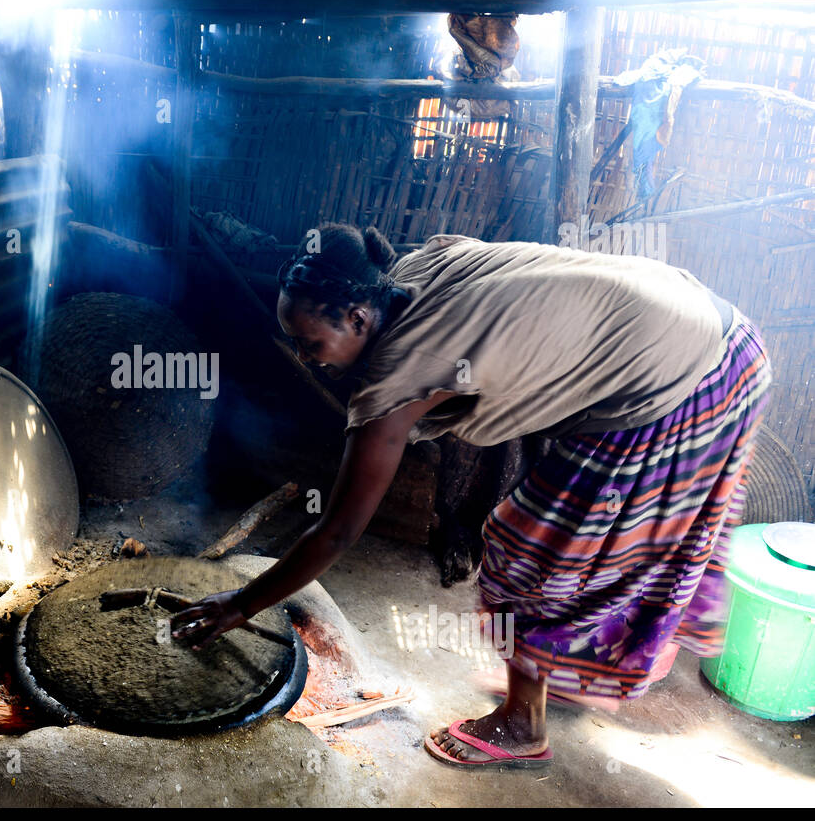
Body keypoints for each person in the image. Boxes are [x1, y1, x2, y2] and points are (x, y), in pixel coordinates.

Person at [171, 223, 772, 768]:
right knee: (587, 536)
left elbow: (337, 531)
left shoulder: (401, 374)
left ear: (357, 318)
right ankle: (563, 664)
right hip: (708, 327)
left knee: (526, 555)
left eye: (309, 343)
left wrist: (240, 605)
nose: (303, 358)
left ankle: (523, 724)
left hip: (690, 373)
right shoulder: (399, 280)